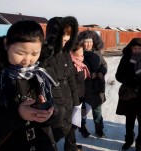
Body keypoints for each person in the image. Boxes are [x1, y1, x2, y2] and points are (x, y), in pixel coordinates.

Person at [0, 20, 58, 151]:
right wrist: (17, 115)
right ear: (6, 44)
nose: (28, 60)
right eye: (20, 53)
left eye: (35, 54)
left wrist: (52, 113)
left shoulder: (43, 74)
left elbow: (61, 108)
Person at [39, 16, 81, 151]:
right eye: (62, 40)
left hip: (68, 99)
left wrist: (76, 102)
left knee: (71, 128)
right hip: (54, 105)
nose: (65, 43)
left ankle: (71, 148)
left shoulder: (66, 53)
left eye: (67, 40)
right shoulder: (44, 56)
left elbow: (71, 79)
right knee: (52, 137)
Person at [115, 38, 141, 151]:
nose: (137, 50)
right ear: (131, 48)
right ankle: (128, 140)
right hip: (130, 94)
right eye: (135, 48)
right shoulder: (126, 59)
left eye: (139, 48)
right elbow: (118, 75)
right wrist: (128, 80)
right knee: (130, 119)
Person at [77, 30, 107, 138]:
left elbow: (104, 64)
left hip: (97, 88)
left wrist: (101, 72)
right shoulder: (79, 54)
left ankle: (99, 129)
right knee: (83, 112)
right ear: (82, 43)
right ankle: (82, 128)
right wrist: (88, 76)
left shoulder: (97, 53)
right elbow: (77, 70)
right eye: (86, 41)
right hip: (84, 89)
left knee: (97, 111)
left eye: (90, 41)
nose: (88, 44)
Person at [70, 41, 91, 139]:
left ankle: (81, 128)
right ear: (73, 53)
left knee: (82, 114)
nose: (82, 52)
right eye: (80, 51)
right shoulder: (72, 65)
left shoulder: (81, 63)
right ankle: (71, 141)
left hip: (82, 94)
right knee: (73, 119)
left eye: (82, 50)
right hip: (74, 96)